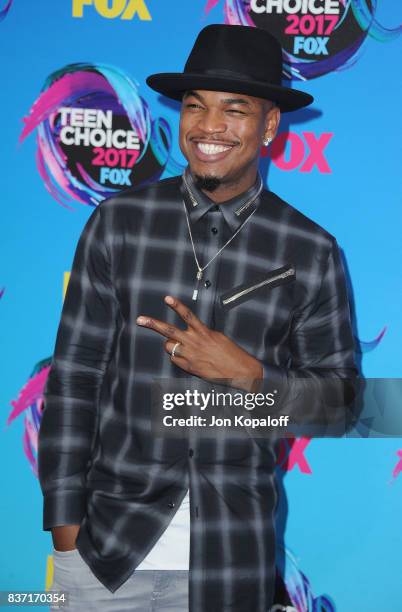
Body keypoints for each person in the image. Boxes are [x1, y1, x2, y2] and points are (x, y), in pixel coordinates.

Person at [38, 24, 358, 612]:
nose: (209, 127)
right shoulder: (120, 223)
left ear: (268, 126)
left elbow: (343, 404)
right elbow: (74, 377)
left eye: (234, 110)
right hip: (107, 559)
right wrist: (65, 536)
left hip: (233, 564)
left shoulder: (309, 250)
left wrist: (251, 377)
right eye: (195, 107)